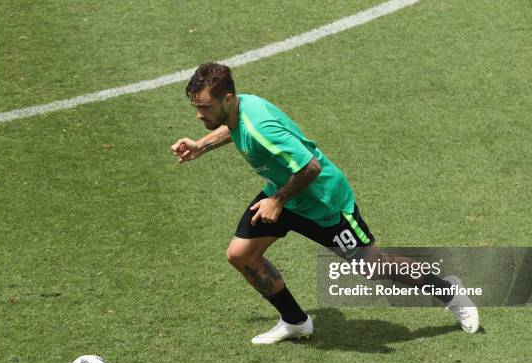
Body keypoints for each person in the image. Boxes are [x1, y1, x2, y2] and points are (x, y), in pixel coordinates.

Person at [170, 62, 479, 344]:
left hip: (324, 204)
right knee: (241, 255)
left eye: (205, 107)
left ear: (227, 99)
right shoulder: (239, 107)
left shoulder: (260, 125)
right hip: (284, 194)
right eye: (196, 107)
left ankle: (449, 291)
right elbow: (234, 127)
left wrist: (277, 200)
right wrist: (201, 145)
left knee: (373, 266)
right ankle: (295, 321)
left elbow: (311, 168)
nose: (199, 115)